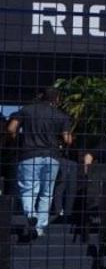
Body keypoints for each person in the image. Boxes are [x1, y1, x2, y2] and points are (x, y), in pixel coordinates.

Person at [5, 87, 73, 240]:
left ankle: (30, 214)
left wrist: (16, 140)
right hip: (52, 156)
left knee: (28, 188)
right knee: (47, 193)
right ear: (56, 99)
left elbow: (11, 128)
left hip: (29, 154)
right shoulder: (60, 116)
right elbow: (68, 139)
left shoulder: (26, 110)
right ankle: (40, 228)